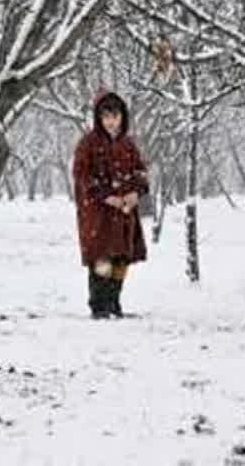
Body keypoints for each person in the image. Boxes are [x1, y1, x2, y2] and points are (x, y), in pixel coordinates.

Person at [72, 90, 149, 319]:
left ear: (122, 117)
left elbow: (141, 172)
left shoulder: (128, 144)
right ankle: (99, 305)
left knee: (121, 259)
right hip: (99, 214)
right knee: (102, 259)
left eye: (115, 116)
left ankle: (114, 302)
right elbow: (82, 175)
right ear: (98, 118)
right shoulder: (88, 144)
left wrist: (136, 192)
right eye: (106, 117)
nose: (111, 122)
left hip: (125, 214)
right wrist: (106, 196)